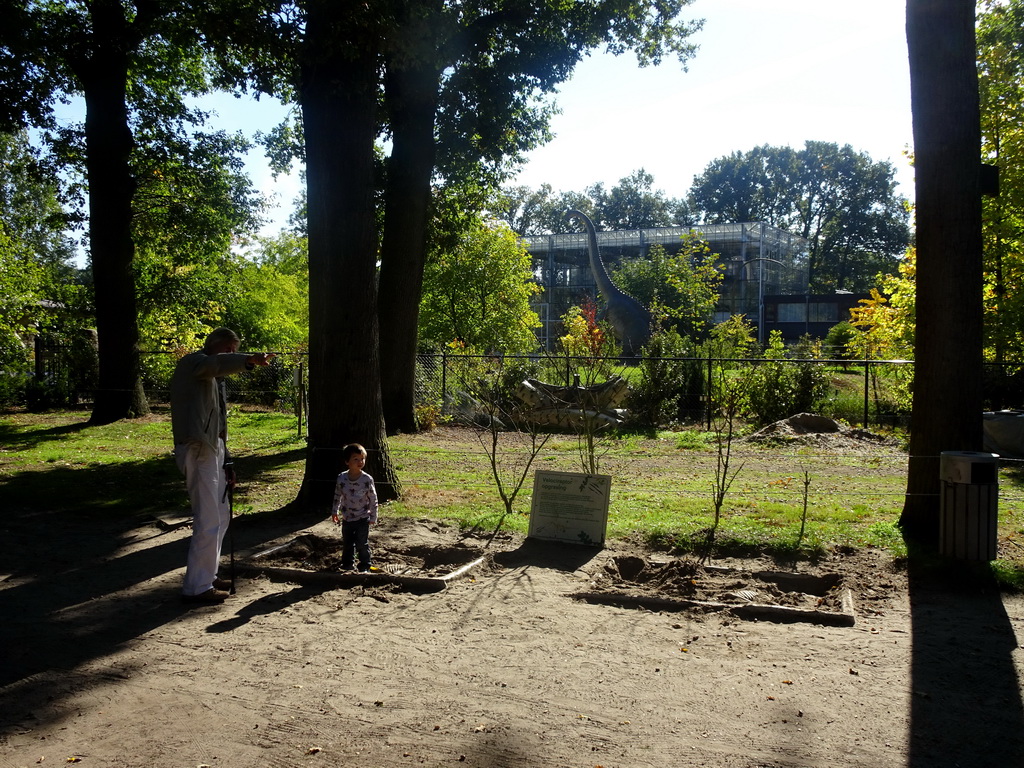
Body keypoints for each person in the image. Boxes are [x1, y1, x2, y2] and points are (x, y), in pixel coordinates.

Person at [170, 327, 275, 603]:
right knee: (207, 518)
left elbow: (220, 423)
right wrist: (247, 361)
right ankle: (196, 588)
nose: (231, 355)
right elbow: (214, 364)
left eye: (234, 350)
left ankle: (208, 574)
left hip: (213, 449)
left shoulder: (216, 378)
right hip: (196, 447)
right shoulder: (194, 362)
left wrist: (227, 461)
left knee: (222, 513)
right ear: (214, 344)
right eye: (228, 349)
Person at [330, 443, 379, 572]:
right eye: (355, 459)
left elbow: (373, 498)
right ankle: (347, 564)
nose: (360, 462)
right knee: (347, 543)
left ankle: (365, 565)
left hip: (363, 517)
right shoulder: (342, 478)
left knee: (362, 543)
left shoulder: (367, 479)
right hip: (347, 517)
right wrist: (335, 511)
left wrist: (373, 516)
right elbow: (337, 495)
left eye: (362, 458)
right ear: (347, 461)